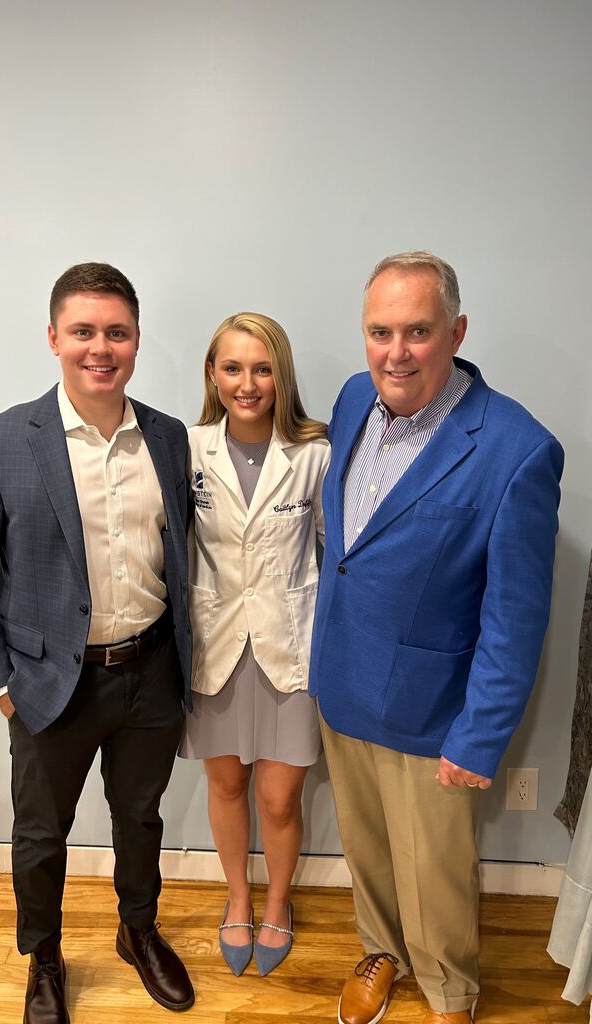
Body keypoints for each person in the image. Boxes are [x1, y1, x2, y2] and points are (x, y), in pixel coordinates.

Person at [309, 251, 563, 1024]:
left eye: (417, 331)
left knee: (438, 870)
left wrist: (478, 739)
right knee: (368, 849)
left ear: (455, 331)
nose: (396, 351)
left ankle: (451, 989)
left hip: (432, 711)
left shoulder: (517, 450)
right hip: (344, 682)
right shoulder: (355, 399)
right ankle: (380, 950)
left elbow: (515, 617)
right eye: (380, 331)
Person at [0, 263, 195, 1022]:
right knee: (41, 833)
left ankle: (137, 931)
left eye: (116, 332)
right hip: (51, 683)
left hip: (151, 673)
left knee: (139, 817)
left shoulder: (170, 439)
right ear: (54, 338)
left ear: (137, 341)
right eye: (83, 331)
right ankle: (43, 955)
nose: (100, 348)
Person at [179, 312, 329, 976]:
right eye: (233, 367)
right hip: (214, 645)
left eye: (262, 368)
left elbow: (336, 551)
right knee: (226, 783)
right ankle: (238, 897)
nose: (248, 383)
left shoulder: (316, 453)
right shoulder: (186, 448)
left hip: (289, 647)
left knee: (278, 797)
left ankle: (278, 903)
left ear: (281, 376)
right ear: (212, 373)